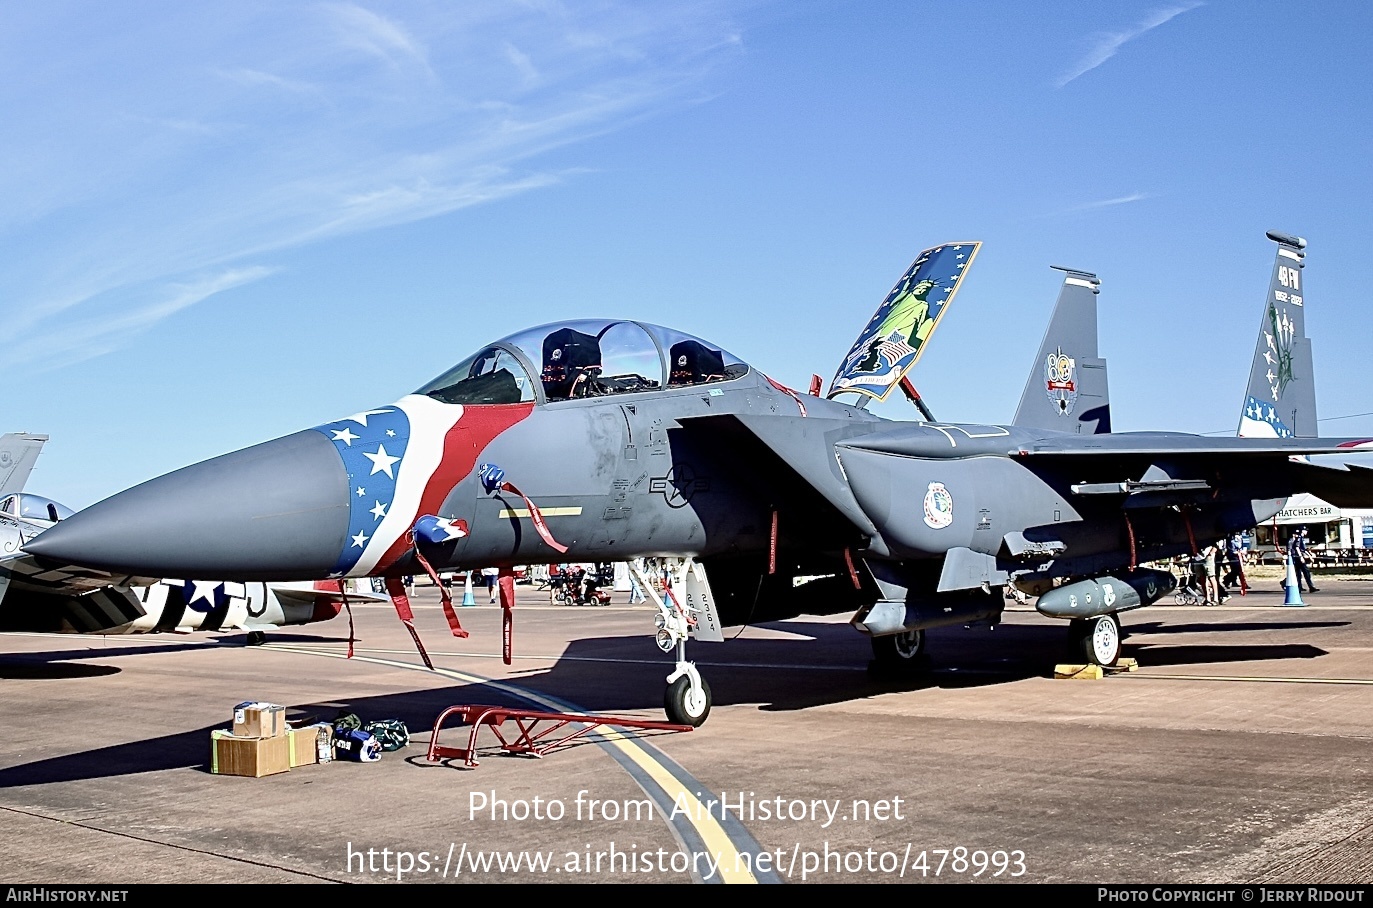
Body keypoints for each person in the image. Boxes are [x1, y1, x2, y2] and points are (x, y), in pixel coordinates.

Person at [1288, 528, 1319, 593]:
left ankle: (1303, 587)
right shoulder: (1299, 538)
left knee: (1301, 573)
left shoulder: (1301, 538)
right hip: (1298, 557)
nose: (1306, 532)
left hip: (1299, 557)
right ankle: (1309, 587)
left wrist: (1310, 556)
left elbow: (1304, 549)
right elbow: (1297, 548)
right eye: (1305, 530)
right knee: (1304, 572)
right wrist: (1301, 557)